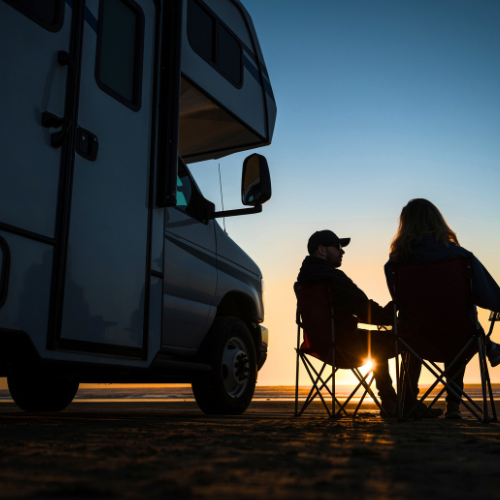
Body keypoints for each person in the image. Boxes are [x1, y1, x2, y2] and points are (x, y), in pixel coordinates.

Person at [297, 229, 442, 418]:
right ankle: (408, 403)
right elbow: (365, 308)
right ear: (322, 250)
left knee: (377, 342)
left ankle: (390, 401)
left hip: (321, 346)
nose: (342, 252)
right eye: (338, 247)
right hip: (347, 347)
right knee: (409, 340)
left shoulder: (304, 281)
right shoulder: (333, 277)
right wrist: (395, 315)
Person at [385, 198, 500, 419]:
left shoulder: (395, 264)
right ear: (437, 221)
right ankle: (453, 406)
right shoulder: (462, 257)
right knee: (460, 326)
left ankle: (408, 403)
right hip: (459, 336)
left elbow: (402, 302)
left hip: (415, 338)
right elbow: (490, 298)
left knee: (413, 330)